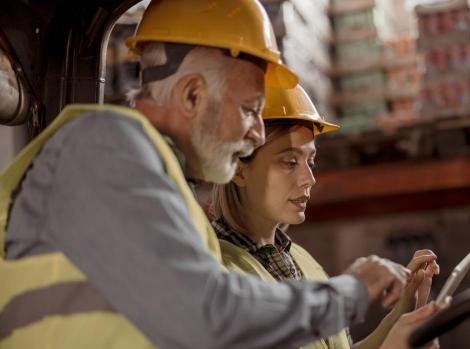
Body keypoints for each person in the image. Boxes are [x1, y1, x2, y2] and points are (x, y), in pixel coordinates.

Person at [0, 1, 412, 348]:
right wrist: (351, 291)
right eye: (250, 109)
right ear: (192, 95)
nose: (256, 134)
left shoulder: (165, 198)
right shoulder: (103, 146)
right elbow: (206, 315)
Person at [210, 84, 442, 349]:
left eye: (311, 162)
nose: (309, 179)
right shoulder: (220, 276)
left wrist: (402, 315)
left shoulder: (300, 259)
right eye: (289, 162)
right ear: (239, 171)